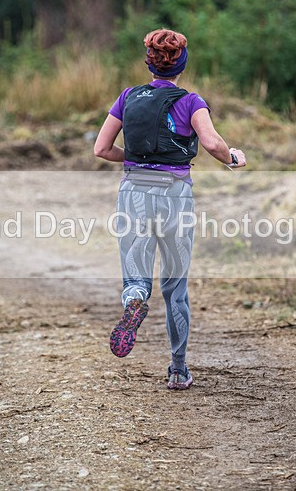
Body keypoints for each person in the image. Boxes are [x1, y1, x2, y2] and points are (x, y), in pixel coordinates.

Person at [94, 28, 246, 390]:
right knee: (176, 286)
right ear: (182, 65)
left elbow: (101, 148)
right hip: (175, 195)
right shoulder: (191, 101)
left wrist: (133, 158)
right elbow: (211, 143)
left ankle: (134, 299)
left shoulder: (128, 97)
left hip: (133, 192)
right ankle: (178, 370)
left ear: (149, 64)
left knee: (136, 276)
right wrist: (233, 158)